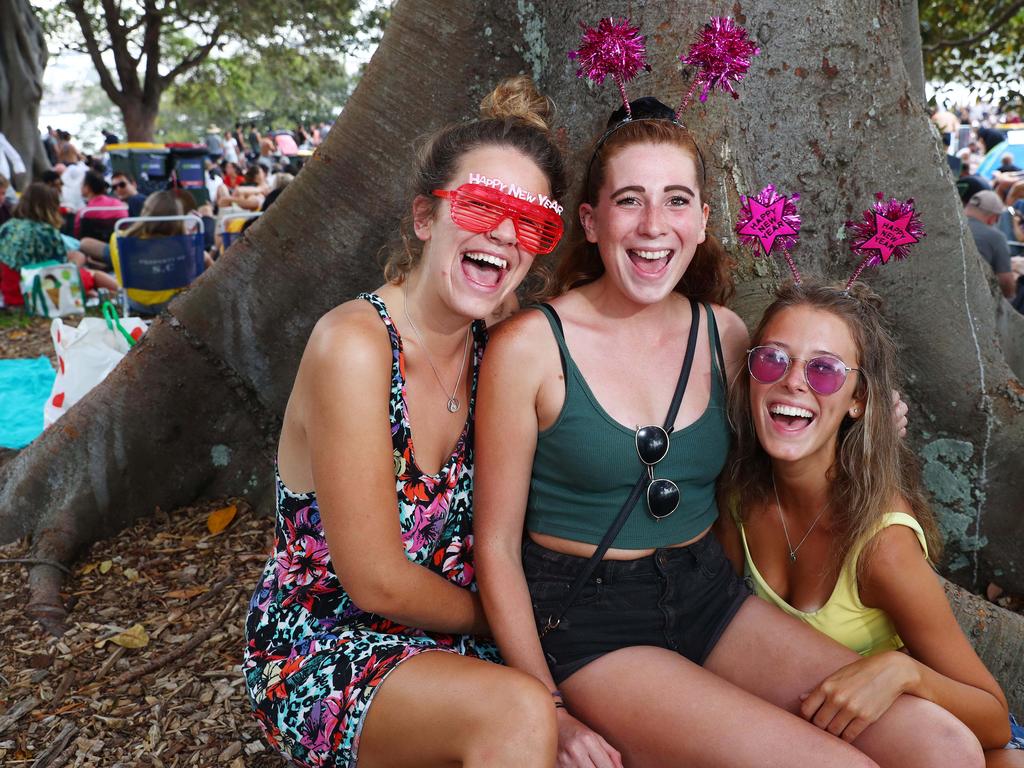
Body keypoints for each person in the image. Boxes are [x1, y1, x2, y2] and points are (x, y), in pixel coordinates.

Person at [474, 97, 983, 767]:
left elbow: (793, 412)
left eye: (677, 200)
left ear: (702, 220)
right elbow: (495, 547)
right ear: (591, 223)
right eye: (630, 200)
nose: (655, 225)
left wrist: (870, 409)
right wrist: (547, 706)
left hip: (708, 593)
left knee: (942, 746)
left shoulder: (726, 335)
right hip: (589, 623)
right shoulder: (531, 347)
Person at [242, 76, 568, 768]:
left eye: (532, 222)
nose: (505, 235)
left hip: (458, 641)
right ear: (426, 218)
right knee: (520, 714)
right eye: (481, 205)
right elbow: (377, 581)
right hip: (328, 643)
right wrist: (505, 620)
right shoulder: (354, 346)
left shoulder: (504, 349)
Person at [719, 281, 1024, 766]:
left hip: (924, 740)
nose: (793, 381)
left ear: (859, 399)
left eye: (824, 370)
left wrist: (904, 673)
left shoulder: (882, 544)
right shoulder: (738, 497)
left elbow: (991, 714)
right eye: (773, 359)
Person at [0, 183, 118, 307]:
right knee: (93, 273)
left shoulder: (6, 227)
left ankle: (91, 292)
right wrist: (77, 260)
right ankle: (124, 295)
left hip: (12, 293)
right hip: (43, 293)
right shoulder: (47, 232)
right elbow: (62, 271)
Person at [965, 190, 1016, 298]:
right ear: (993, 218)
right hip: (974, 299)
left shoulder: (948, 226)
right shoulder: (995, 237)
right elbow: (1006, 284)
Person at [73, 171, 128, 238]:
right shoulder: (119, 205)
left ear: (87, 188)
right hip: (121, 244)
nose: (80, 186)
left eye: (81, 184)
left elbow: (77, 235)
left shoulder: (83, 213)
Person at [0, 131, 26, 201]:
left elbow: (11, 153)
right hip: (3, 176)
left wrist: (18, 166)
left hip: (3, 177)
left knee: (12, 201)